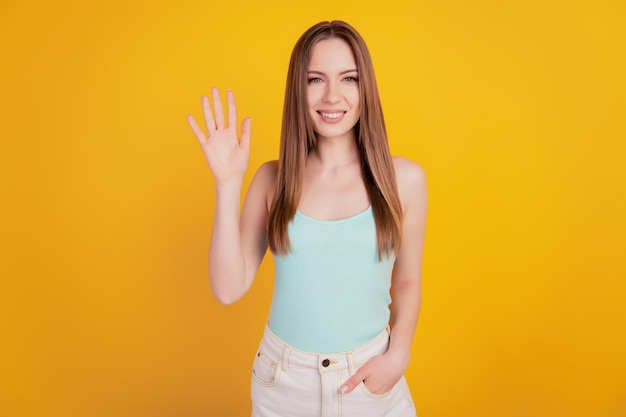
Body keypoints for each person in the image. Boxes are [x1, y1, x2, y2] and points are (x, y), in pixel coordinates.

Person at [187, 20, 427, 417]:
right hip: (284, 384)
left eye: (348, 78)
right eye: (316, 79)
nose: (333, 95)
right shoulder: (272, 180)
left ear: (365, 87)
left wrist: (398, 355)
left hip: (370, 380)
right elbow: (228, 289)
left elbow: (407, 281)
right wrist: (227, 183)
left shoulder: (405, 180)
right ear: (298, 90)